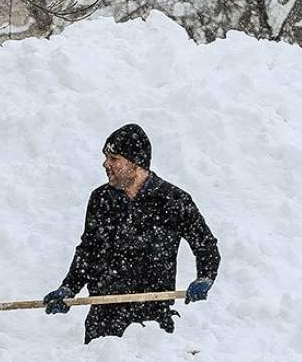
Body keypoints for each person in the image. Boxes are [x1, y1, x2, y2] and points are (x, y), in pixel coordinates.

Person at [43, 123, 221, 344]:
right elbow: (88, 251)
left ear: (136, 163)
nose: (105, 164)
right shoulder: (101, 200)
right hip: (104, 319)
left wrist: (205, 276)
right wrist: (69, 287)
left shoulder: (173, 200)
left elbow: (205, 244)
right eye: (106, 157)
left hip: (152, 322)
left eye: (114, 158)